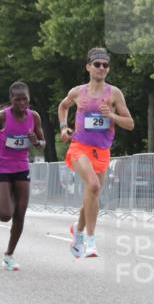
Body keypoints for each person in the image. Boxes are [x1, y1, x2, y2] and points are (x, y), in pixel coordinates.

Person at [58, 47, 135, 259]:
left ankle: (78, 229)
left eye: (105, 65)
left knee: (93, 195)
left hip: (102, 150)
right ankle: (91, 240)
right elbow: (63, 107)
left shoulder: (114, 94)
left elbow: (130, 124)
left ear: (108, 69)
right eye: (97, 64)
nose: (101, 68)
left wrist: (112, 115)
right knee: (93, 185)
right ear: (88, 67)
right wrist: (64, 128)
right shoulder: (77, 92)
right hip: (80, 147)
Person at [0, 81, 46, 271]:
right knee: (5, 215)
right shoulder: (2, 117)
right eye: (18, 100)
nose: (22, 104)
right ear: (11, 100)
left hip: (22, 167)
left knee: (20, 214)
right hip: (3, 168)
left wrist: (36, 142)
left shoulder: (34, 117)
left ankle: (9, 255)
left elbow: (42, 143)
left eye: (25, 100)